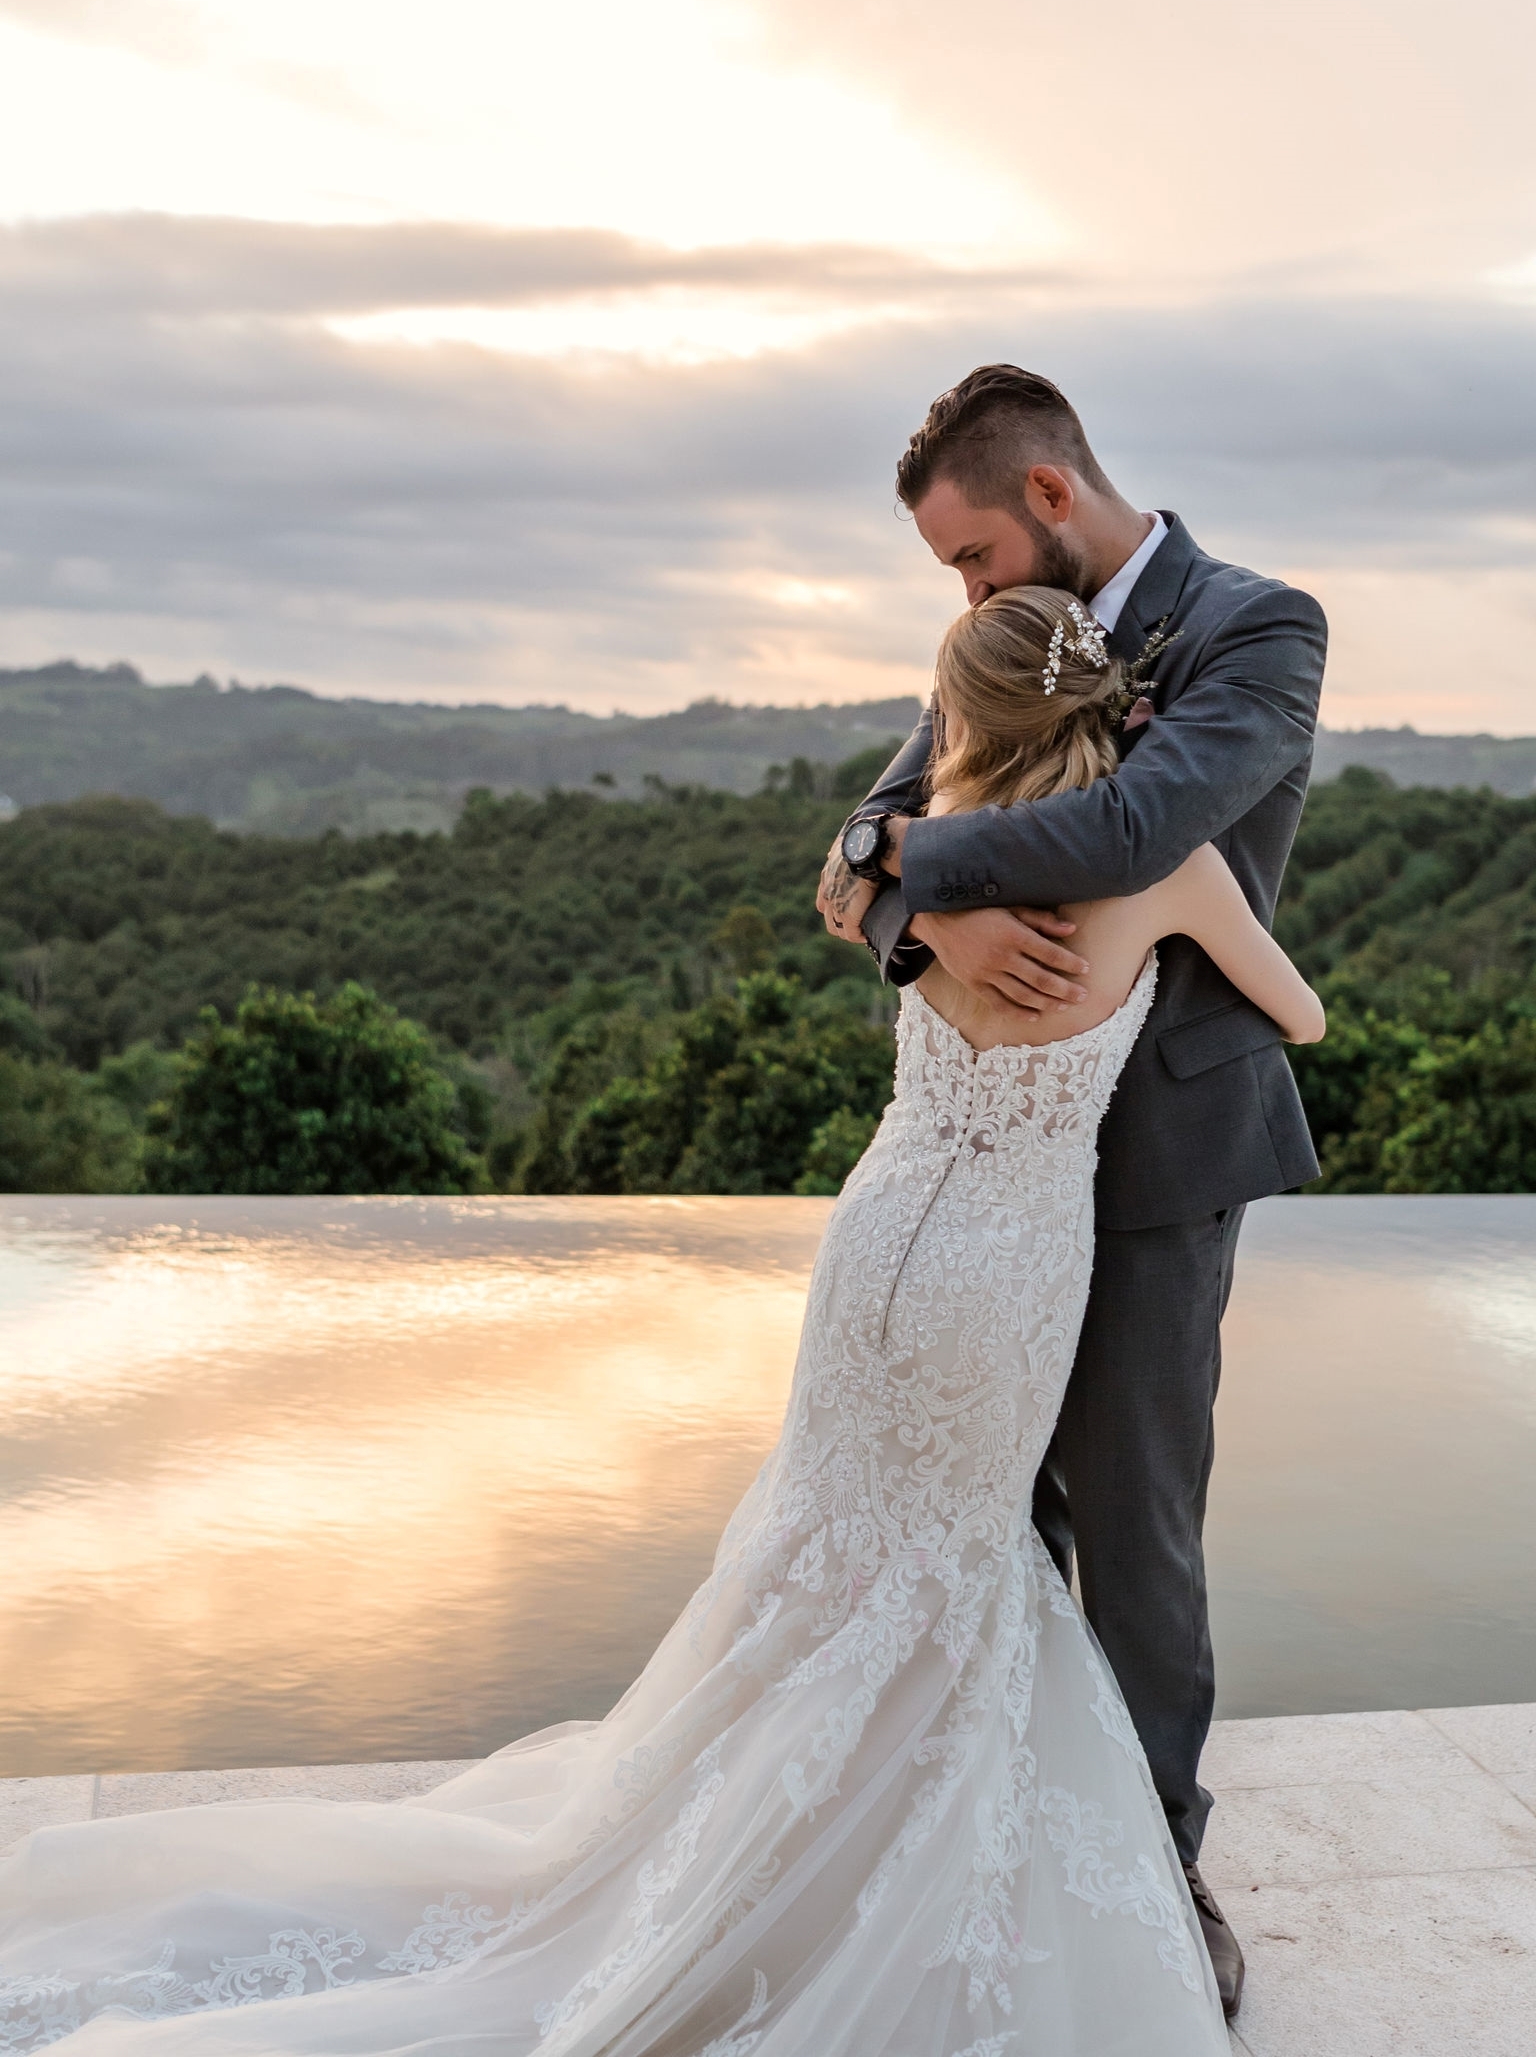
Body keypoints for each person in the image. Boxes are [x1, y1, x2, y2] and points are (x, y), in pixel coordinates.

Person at [0, 565, 1322, 2055]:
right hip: (1011, 1268)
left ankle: (748, 1841)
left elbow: (854, 875)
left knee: (833, 1551)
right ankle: (897, 1871)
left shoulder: (931, 864)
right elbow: (1302, 1013)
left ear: (965, 716)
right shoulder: (1168, 873)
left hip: (883, 1240)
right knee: (960, 1565)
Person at [819, 362, 1329, 2019]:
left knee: (1135, 1525)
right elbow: (853, 849)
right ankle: (989, 1841)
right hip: (979, 1188)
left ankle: (1155, 1875)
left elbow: (1138, 827)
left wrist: (903, 867)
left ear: (1046, 500)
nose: (961, 597)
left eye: (966, 560)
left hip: (1163, 1158)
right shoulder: (1010, 643)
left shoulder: (1262, 627)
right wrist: (922, 917)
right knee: (986, 1521)